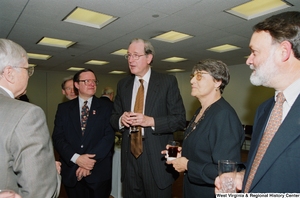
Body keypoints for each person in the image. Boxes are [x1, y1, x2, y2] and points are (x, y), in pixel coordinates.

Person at [215, 11, 300, 193]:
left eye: (254, 52)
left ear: (284, 52)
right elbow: (265, 163)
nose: (249, 60)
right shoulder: (265, 109)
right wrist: (242, 176)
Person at [110, 38, 186, 198]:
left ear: (149, 58)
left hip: (157, 159)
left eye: (136, 55)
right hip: (129, 158)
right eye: (128, 55)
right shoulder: (123, 85)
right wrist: (120, 120)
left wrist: (150, 121)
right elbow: (113, 117)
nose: (130, 60)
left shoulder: (167, 82)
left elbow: (179, 119)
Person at [162, 59, 244, 197]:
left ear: (217, 81)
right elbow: (202, 153)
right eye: (192, 76)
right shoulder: (200, 111)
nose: (192, 81)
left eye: (199, 76)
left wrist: (187, 165)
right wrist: (180, 157)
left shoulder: (223, 115)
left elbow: (226, 173)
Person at [0, 38, 61, 198]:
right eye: (27, 69)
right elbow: (41, 191)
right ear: (9, 73)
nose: (29, 75)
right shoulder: (27, 114)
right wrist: (50, 171)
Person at [52, 68, 115, 198]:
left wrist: (88, 162)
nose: (92, 84)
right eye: (86, 81)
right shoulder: (63, 109)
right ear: (76, 85)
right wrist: (77, 159)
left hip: (98, 172)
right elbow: (58, 138)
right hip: (72, 172)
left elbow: (108, 137)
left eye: (94, 81)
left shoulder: (107, 107)